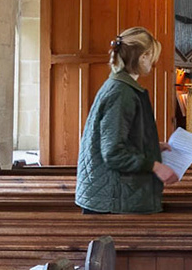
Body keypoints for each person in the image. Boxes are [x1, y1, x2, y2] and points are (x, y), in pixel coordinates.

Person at [76, 27, 182, 214]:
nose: (153, 62)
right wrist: (155, 166)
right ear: (143, 56)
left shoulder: (118, 86)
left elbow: (115, 139)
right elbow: (113, 152)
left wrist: (151, 146)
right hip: (115, 200)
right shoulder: (121, 92)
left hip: (114, 196)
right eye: (152, 56)